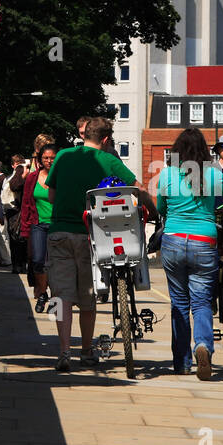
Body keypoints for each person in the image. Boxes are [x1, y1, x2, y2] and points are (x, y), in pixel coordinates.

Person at [45, 117, 158, 373]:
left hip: (59, 233)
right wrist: (155, 210)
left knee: (59, 297)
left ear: (85, 135)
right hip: (89, 237)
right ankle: (86, 351)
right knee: (88, 296)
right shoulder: (109, 160)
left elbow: (51, 194)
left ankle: (63, 351)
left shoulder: (62, 156)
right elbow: (137, 190)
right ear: (106, 140)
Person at [156, 127, 223, 379]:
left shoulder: (167, 174)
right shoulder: (213, 175)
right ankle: (203, 345)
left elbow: (161, 206)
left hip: (173, 241)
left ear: (178, 150)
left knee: (179, 303)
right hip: (204, 242)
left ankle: (182, 363)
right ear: (205, 150)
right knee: (201, 301)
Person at [20, 142, 58, 312]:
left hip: (58, 224)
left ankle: (56, 300)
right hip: (38, 224)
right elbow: (26, 203)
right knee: (37, 261)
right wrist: (25, 228)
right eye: (46, 158)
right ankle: (42, 294)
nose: (49, 161)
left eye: (52, 158)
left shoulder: (62, 176)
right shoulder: (32, 177)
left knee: (57, 264)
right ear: (40, 160)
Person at [4, 155, 28, 273]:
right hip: (15, 209)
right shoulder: (19, 171)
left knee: (17, 238)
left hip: (15, 209)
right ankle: (20, 265)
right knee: (19, 238)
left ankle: (18, 265)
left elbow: (15, 186)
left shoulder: (19, 170)